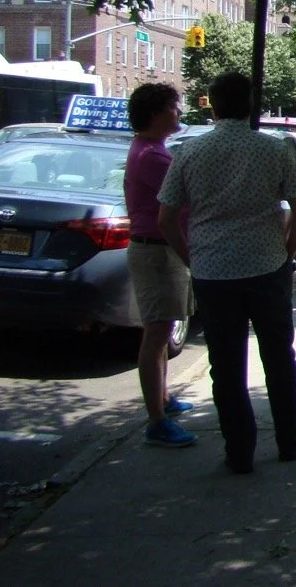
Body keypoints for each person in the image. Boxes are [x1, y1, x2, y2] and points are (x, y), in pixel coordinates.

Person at [157, 72, 296, 474]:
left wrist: (191, 257)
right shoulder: (274, 149)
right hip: (266, 267)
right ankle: (291, 440)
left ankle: (239, 451)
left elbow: (166, 218)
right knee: (279, 357)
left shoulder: (189, 152)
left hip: (213, 272)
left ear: (213, 105)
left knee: (226, 366)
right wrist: (288, 251)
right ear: (250, 104)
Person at [125, 83, 196, 448]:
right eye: (173, 106)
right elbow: (189, 194)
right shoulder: (152, 157)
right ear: (155, 113)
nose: (179, 112)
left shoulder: (151, 149)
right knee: (155, 335)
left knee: (163, 329)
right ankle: (156, 421)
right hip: (155, 252)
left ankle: (164, 400)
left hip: (159, 250)